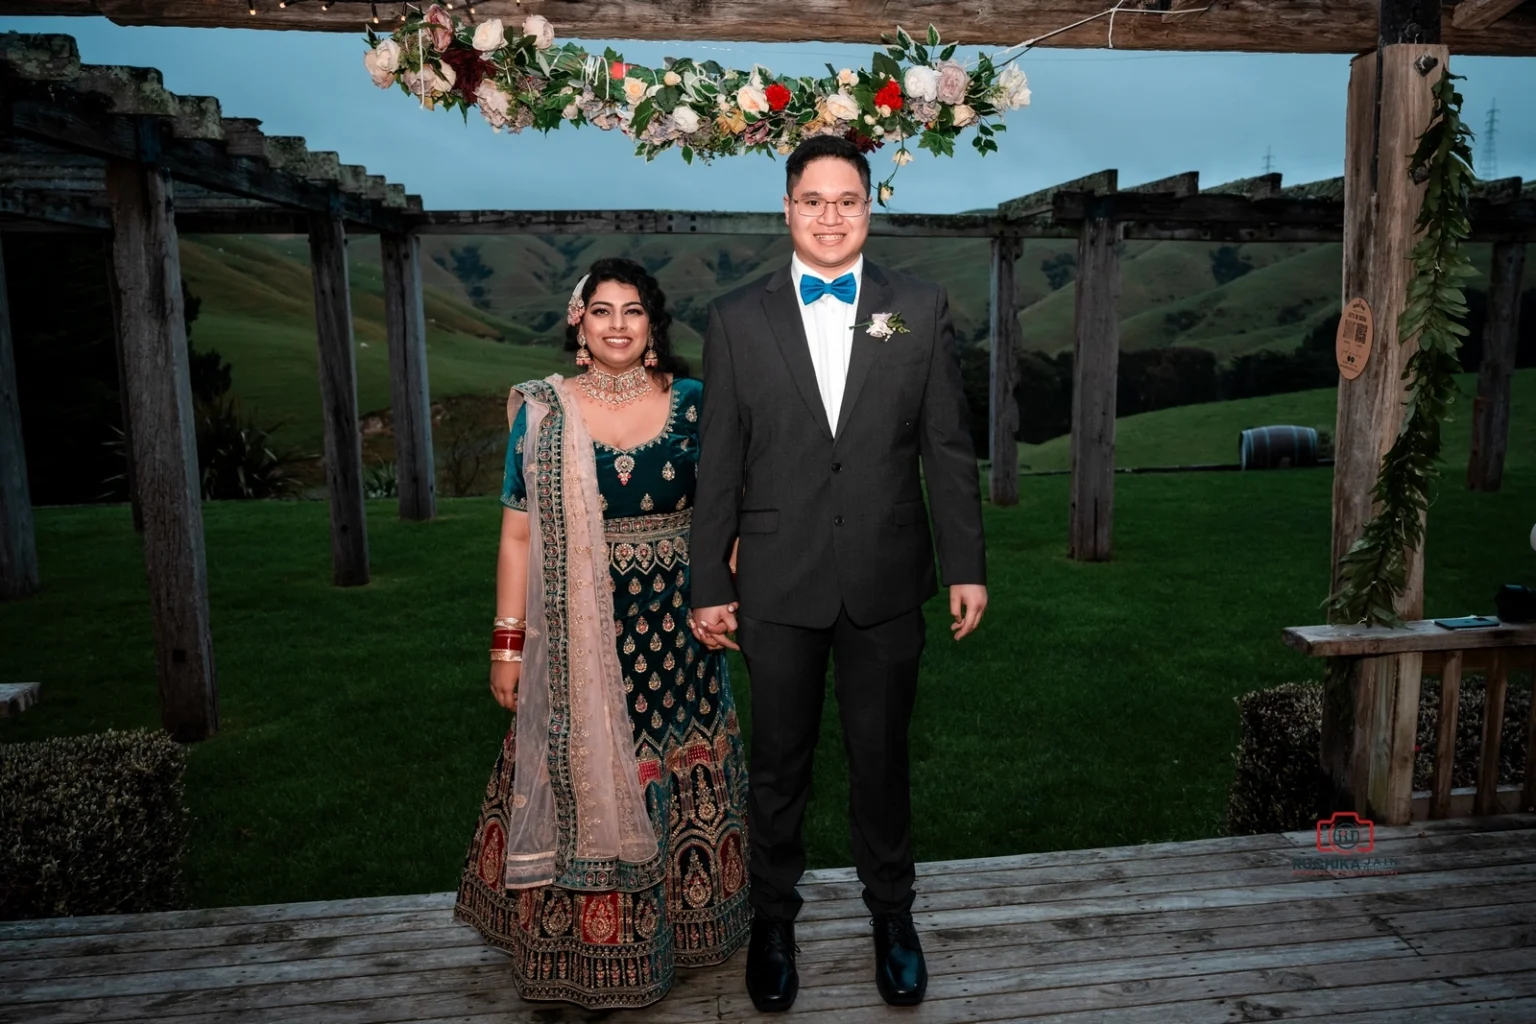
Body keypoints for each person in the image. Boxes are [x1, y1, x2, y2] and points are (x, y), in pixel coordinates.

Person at [689, 135, 988, 1011]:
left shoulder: (917, 308)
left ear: (869, 208)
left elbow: (947, 445)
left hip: (888, 579)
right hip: (774, 583)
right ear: (787, 209)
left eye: (847, 200)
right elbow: (719, 462)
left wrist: (965, 564)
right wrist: (711, 575)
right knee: (779, 767)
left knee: (882, 760)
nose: (830, 216)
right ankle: (772, 922)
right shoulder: (737, 317)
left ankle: (892, 917)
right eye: (813, 200)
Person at [454, 258, 751, 1010]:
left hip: (680, 632)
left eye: (633, 311)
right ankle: (570, 947)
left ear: (653, 327)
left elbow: (730, 513)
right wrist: (507, 643)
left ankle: (685, 932)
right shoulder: (546, 412)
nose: (617, 323)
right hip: (578, 633)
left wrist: (730, 595)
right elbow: (517, 538)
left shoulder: (694, 403)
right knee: (578, 766)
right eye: (602, 310)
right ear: (577, 324)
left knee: (672, 765)